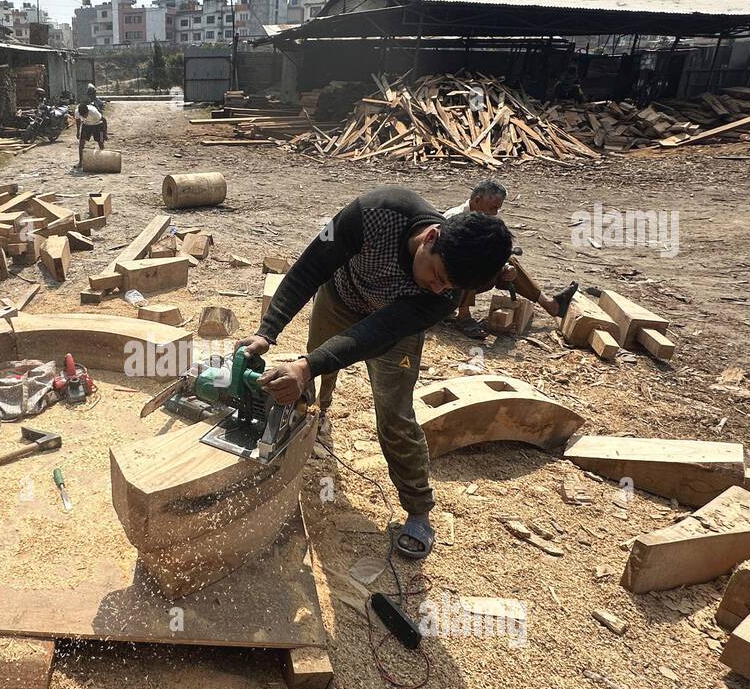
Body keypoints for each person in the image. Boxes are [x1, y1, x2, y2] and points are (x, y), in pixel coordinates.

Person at [239, 187, 513, 560]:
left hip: (392, 326)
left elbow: (377, 333)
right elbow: (311, 266)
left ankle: (418, 510)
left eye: (449, 286)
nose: (438, 287)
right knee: (314, 374)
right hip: (340, 297)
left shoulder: (444, 292)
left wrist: (306, 365)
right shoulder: (375, 212)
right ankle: (317, 413)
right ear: (432, 237)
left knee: (396, 414)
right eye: (437, 275)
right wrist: (267, 330)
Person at [444, 179, 577, 338]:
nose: (494, 213)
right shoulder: (454, 218)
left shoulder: (485, 218)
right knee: (471, 261)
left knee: (509, 261)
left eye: (497, 209)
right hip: (442, 284)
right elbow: (449, 260)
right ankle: (463, 317)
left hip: (463, 283)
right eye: (492, 208)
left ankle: (550, 305)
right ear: (477, 200)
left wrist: (504, 267)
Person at [76, 102, 105, 168]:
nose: (84, 116)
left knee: (100, 142)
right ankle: (81, 162)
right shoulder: (77, 112)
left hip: (98, 124)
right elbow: (78, 121)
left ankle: (103, 159)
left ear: (88, 111)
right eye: (82, 115)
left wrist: (104, 133)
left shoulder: (94, 112)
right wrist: (78, 132)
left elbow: (104, 120)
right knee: (81, 143)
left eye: (85, 115)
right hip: (86, 125)